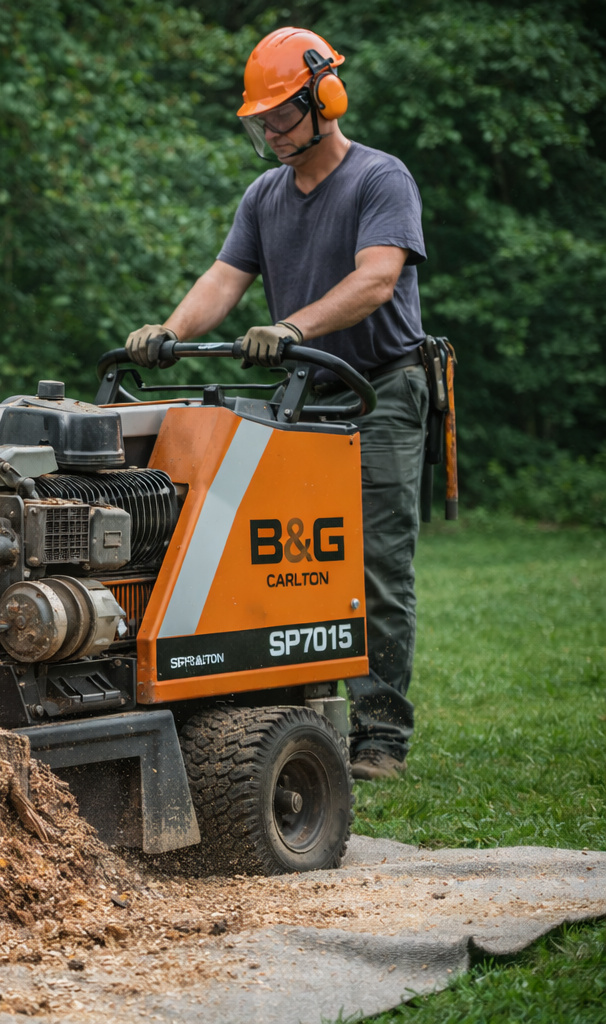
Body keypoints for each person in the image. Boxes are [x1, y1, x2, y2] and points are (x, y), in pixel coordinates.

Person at [123, 27, 427, 781]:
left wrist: (293, 325)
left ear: (326, 98)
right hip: (304, 392)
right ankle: (288, 700)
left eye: (281, 115)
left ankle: (380, 735)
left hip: (380, 386)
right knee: (286, 549)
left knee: (375, 561)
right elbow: (224, 280)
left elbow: (376, 281)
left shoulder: (380, 179)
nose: (269, 130)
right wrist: (168, 331)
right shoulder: (264, 194)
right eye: (261, 119)